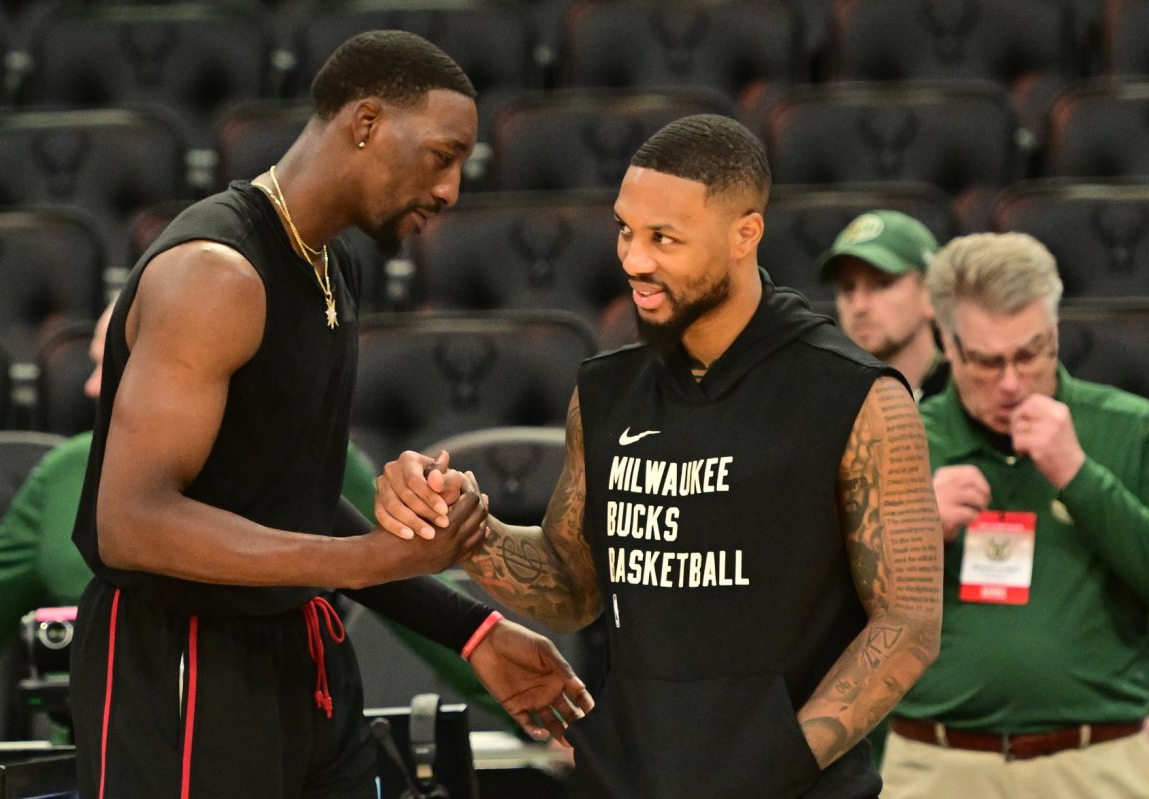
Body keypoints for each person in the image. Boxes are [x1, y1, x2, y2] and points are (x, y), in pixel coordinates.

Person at [68, 31, 591, 798]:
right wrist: (365, 560)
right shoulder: (216, 274)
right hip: (181, 660)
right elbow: (133, 520)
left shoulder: (332, 261)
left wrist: (466, 627)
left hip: (299, 653)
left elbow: (292, 500)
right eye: (443, 155)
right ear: (368, 122)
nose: (450, 191)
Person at [377, 115, 944, 798]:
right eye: (625, 229)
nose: (633, 259)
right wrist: (467, 528)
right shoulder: (608, 390)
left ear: (745, 235)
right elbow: (571, 582)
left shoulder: (859, 397)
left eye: (663, 239)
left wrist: (779, 759)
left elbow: (909, 622)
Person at [0, 305, 512, 739]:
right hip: (90, 765)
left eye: (108, 363)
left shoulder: (311, 457)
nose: (91, 386)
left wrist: (520, 703)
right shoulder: (65, 472)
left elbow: (409, 588)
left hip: (271, 746)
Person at [878, 232, 1149, 798]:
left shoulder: (1130, 427)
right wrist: (913, 528)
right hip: (934, 763)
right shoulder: (895, 441)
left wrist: (1080, 475)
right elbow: (829, 610)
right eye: (985, 361)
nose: (1010, 382)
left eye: (1029, 353)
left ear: (1054, 335)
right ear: (946, 344)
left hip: (1095, 761)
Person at [815, 210, 949, 402]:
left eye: (882, 283)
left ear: (932, 294)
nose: (859, 306)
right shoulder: (824, 400)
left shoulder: (974, 398)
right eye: (847, 288)